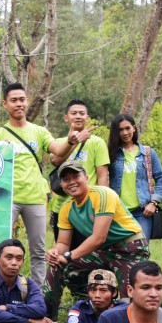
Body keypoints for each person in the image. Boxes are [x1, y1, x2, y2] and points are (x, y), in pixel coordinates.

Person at [0, 82, 75, 286]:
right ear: (5, 104)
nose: (19, 104)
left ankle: (38, 295)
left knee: (38, 249)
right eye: (14, 100)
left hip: (35, 197)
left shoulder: (39, 131)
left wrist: (71, 141)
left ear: (27, 102)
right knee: (0, 247)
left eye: (22, 99)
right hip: (6, 199)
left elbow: (58, 151)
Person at [43, 160, 149, 318]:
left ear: (86, 177)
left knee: (130, 300)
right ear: (62, 185)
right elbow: (63, 243)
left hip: (130, 249)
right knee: (58, 265)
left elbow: (99, 238)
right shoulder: (66, 208)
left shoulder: (102, 194)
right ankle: (50, 317)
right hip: (104, 252)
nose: (71, 182)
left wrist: (68, 256)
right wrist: (55, 253)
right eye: (66, 179)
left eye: (75, 176)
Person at [49, 99, 108, 242]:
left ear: (87, 118)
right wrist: (75, 141)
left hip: (88, 206)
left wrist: (101, 204)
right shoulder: (59, 142)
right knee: (63, 248)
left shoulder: (97, 142)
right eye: (73, 113)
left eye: (82, 113)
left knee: (87, 251)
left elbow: (103, 176)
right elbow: (55, 160)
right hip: (62, 205)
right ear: (66, 117)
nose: (78, 116)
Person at [107, 113, 162, 241]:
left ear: (134, 128)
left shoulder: (148, 153)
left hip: (142, 212)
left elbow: (161, 178)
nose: (125, 132)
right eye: (120, 130)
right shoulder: (110, 153)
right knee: (118, 252)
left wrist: (154, 202)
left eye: (127, 128)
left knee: (141, 250)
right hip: (117, 211)